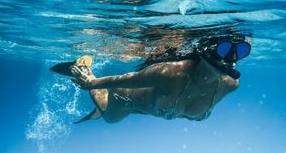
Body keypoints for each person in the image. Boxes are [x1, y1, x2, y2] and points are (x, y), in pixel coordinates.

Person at [69, 37, 251, 123]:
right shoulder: (172, 73)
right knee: (109, 117)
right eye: (225, 48)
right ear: (205, 51)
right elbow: (124, 80)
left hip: (149, 107)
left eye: (241, 50)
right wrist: (91, 83)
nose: (231, 58)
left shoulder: (230, 84)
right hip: (125, 98)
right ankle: (86, 67)